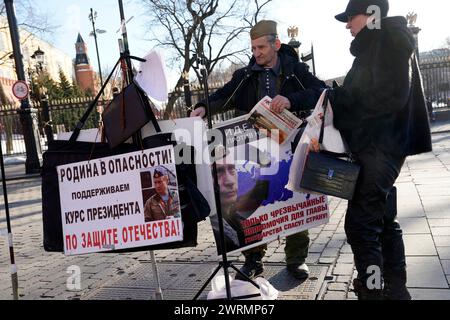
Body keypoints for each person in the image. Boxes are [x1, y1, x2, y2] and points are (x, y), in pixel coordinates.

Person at [191, 20, 327, 281]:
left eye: (261, 47)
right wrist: (203, 107)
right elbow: (224, 96)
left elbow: (321, 91)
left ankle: (296, 260)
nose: (256, 53)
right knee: (249, 203)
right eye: (253, 48)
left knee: (293, 198)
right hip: (252, 155)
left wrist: (291, 100)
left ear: (276, 44)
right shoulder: (244, 75)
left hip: (289, 149)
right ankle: (253, 259)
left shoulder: (296, 70)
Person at [330, 0, 432, 300]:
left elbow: (388, 96)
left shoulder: (386, 41)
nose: (348, 25)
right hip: (381, 146)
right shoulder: (380, 42)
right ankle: (396, 291)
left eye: (351, 17)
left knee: (362, 226)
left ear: (371, 13)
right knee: (383, 219)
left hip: (379, 146)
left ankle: (373, 292)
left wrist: (341, 102)